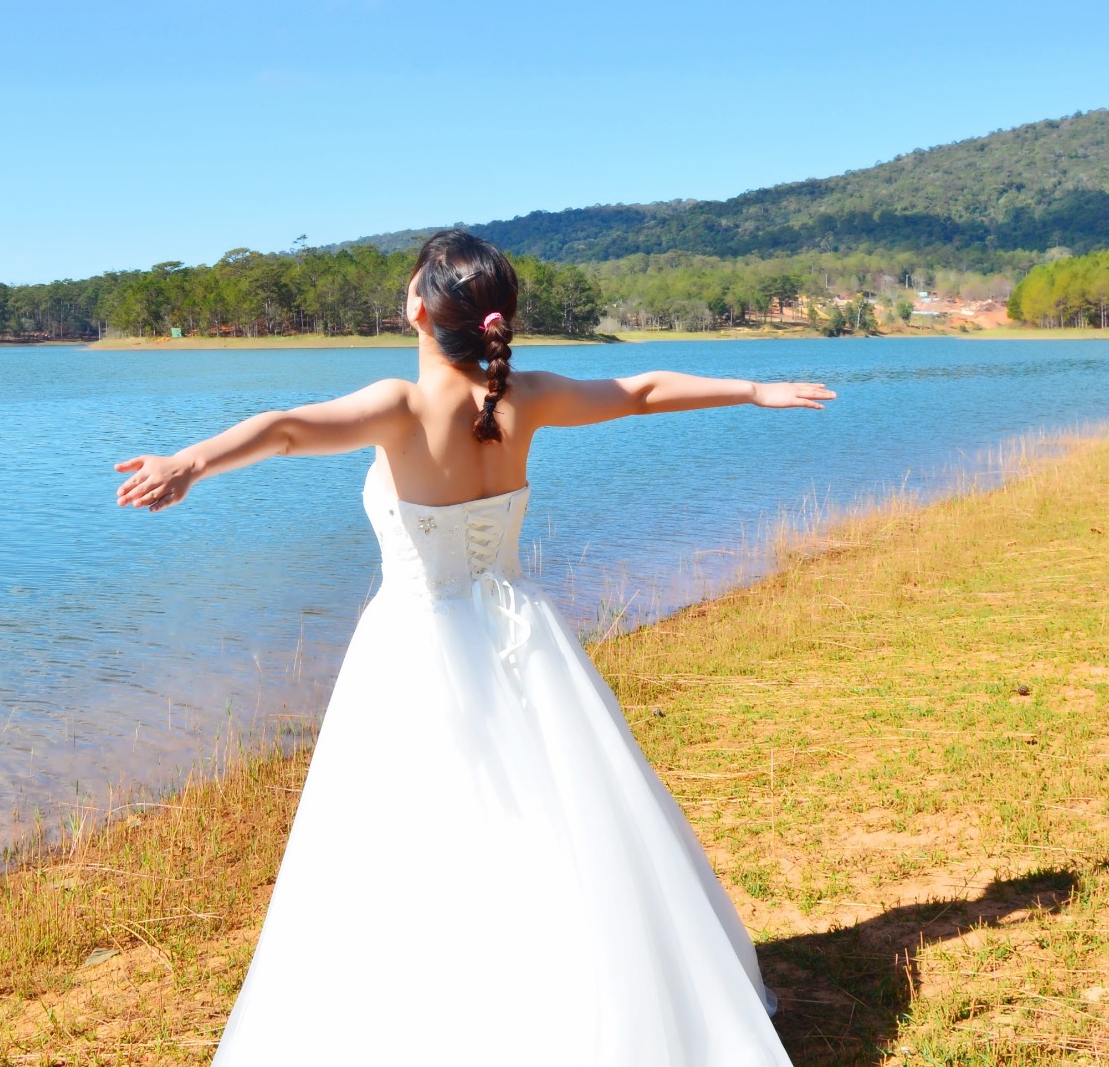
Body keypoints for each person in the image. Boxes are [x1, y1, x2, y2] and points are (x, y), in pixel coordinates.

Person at [114, 230, 833, 1065]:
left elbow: (281, 430)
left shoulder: (404, 404)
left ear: (417, 310)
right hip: (524, 635)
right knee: (557, 817)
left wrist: (190, 462)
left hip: (418, 646)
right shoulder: (524, 395)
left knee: (414, 842)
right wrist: (753, 387)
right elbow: (638, 388)